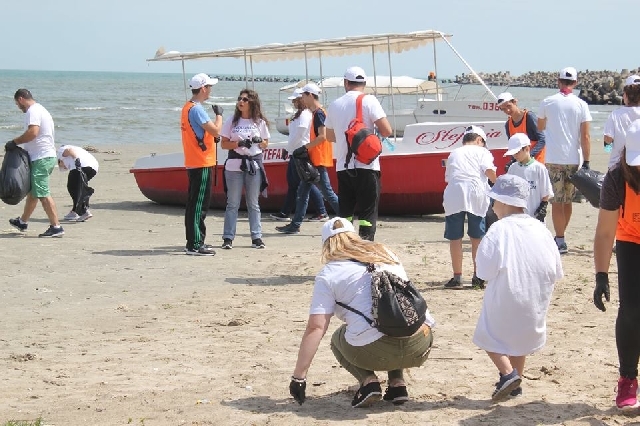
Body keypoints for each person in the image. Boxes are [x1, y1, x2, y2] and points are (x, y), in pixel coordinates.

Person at [289, 217, 436, 408]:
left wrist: (298, 377)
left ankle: (369, 382)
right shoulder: (386, 253)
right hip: (420, 343)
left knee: (338, 338)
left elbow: (315, 328)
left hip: (377, 349)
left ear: (327, 244)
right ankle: (397, 383)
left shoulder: (329, 274)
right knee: (394, 317)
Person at [473, 174, 563, 401]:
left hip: (508, 296)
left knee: (486, 335)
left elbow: (483, 271)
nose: (493, 205)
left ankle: (507, 373)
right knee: (519, 340)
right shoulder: (541, 228)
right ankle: (516, 382)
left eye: (495, 200)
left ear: (504, 202)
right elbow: (555, 270)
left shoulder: (498, 229)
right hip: (537, 299)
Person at [593, 119, 640, 410]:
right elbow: (605, 232)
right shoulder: (615, 179)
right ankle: (627, 378)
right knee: (632, 310)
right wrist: (601, 275)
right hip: (630, 240)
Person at [325, 66, 392, 241]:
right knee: (367, 215)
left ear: (346, 83)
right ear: (364, 83)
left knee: (345, 214)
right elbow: (387, 130)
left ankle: (344, 250)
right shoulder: (370, 101)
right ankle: (365, 248)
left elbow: (329, 136)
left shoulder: (334, 104)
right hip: (367, 166)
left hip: (343, 167)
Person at [537, 66, 592, 254]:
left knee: (557, 201)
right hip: (574, 158)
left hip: (553, 157)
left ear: (558, 81)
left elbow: (540, 126)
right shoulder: (581, 105)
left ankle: (560, 239)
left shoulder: (547, 101)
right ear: (575, 83)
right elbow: (585, 136)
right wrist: (587, 162)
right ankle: (561, 236)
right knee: (567, 201)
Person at [277, 83, 340, 234]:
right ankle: (295, 224)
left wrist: (303, 148)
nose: (302, 99)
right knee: (303, 192)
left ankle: (347, 217)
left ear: (310, 95)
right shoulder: (317, 112)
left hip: (317, 158)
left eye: (304, 95)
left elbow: (322, 137)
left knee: (327, 192)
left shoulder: (318, 113)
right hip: (315, 157)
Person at [442, 125, 497, 289]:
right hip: (475, 193)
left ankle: (457, 277)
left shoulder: (454, 153)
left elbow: (448, 178)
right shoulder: (483, 152)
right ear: (479, 140)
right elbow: (489, 171)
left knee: (455, 238)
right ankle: (477, 277)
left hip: (454, 194)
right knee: (477, 237)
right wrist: (498, 184)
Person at [7, 89, 64, 238]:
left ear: (21, 99)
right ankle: (23, 221)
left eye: (17, 104)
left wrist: (15, 142)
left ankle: (56, 227)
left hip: (42, 158)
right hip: (44, 157)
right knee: (34, 192)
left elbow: (33, 132)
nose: (18, 107)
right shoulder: (40, 109)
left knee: (43, 193)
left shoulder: (33, 111)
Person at [220, 89, 270, 250]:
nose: (241, 102)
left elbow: (265, 144)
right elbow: (223, 144)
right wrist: (238, 144)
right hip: (234, 167)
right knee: (232, 203)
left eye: (245, 99)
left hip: (253, 166)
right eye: (239, 99)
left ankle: (257, 237)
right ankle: (228, 238)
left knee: (253, 203)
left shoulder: (259, 122)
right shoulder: (232, 121)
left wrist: (258, 140)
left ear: (252, 103)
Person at [180, 73, 223, 256]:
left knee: (193, 203)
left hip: (194, 161)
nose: (211, 90)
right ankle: (195, 244)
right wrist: (219, 116)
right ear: (203, 88)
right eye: (210, 87)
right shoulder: (196, 109)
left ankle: (195, 240)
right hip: (201, 162)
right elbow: (215, 130)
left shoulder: (187, 107)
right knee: (199, 205)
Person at [270, 88, 326, 223]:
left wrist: (288, 149)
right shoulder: (299, 115)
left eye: (295, 100)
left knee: (305, 183)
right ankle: (286, 211)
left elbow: (299, 135)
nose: (294, 103)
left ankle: (320, 210)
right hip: (295, 152)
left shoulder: (304, 115)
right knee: (295, 183)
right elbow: (293, 135)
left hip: (299, 153)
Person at [504, 133, 554, 221]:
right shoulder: (513, 168)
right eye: (513, 153)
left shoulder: (539, 168)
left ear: (527, 149)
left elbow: (546, 192)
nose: (515, 156)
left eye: (517, 152)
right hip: (517, 216)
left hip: (534, 216)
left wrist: (543, 206)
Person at [496, 92, 546, 163]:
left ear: (515, 102)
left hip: (536, 162)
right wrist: (512, 162)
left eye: (508, 106)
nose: (507, 110)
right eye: (503, 109)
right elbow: (512, 147)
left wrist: (528, 156)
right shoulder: (508, 125)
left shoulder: (529, 117)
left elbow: (542, 140)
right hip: (521, 164)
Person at [603, 75, 640, 170]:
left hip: (617, 165)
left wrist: (608, 149)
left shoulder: (615, 115)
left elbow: (608, 138)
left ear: (625, 95)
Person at [57, 144, 99, 222]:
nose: (65, 168)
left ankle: (84, 211)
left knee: (72, 188)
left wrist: (76, 159)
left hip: (81, 166)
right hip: (94, 168)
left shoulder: (60, 151)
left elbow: (69, 151)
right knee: (79, 189)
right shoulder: (78, 149)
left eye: (62, 166)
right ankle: (75, 211)